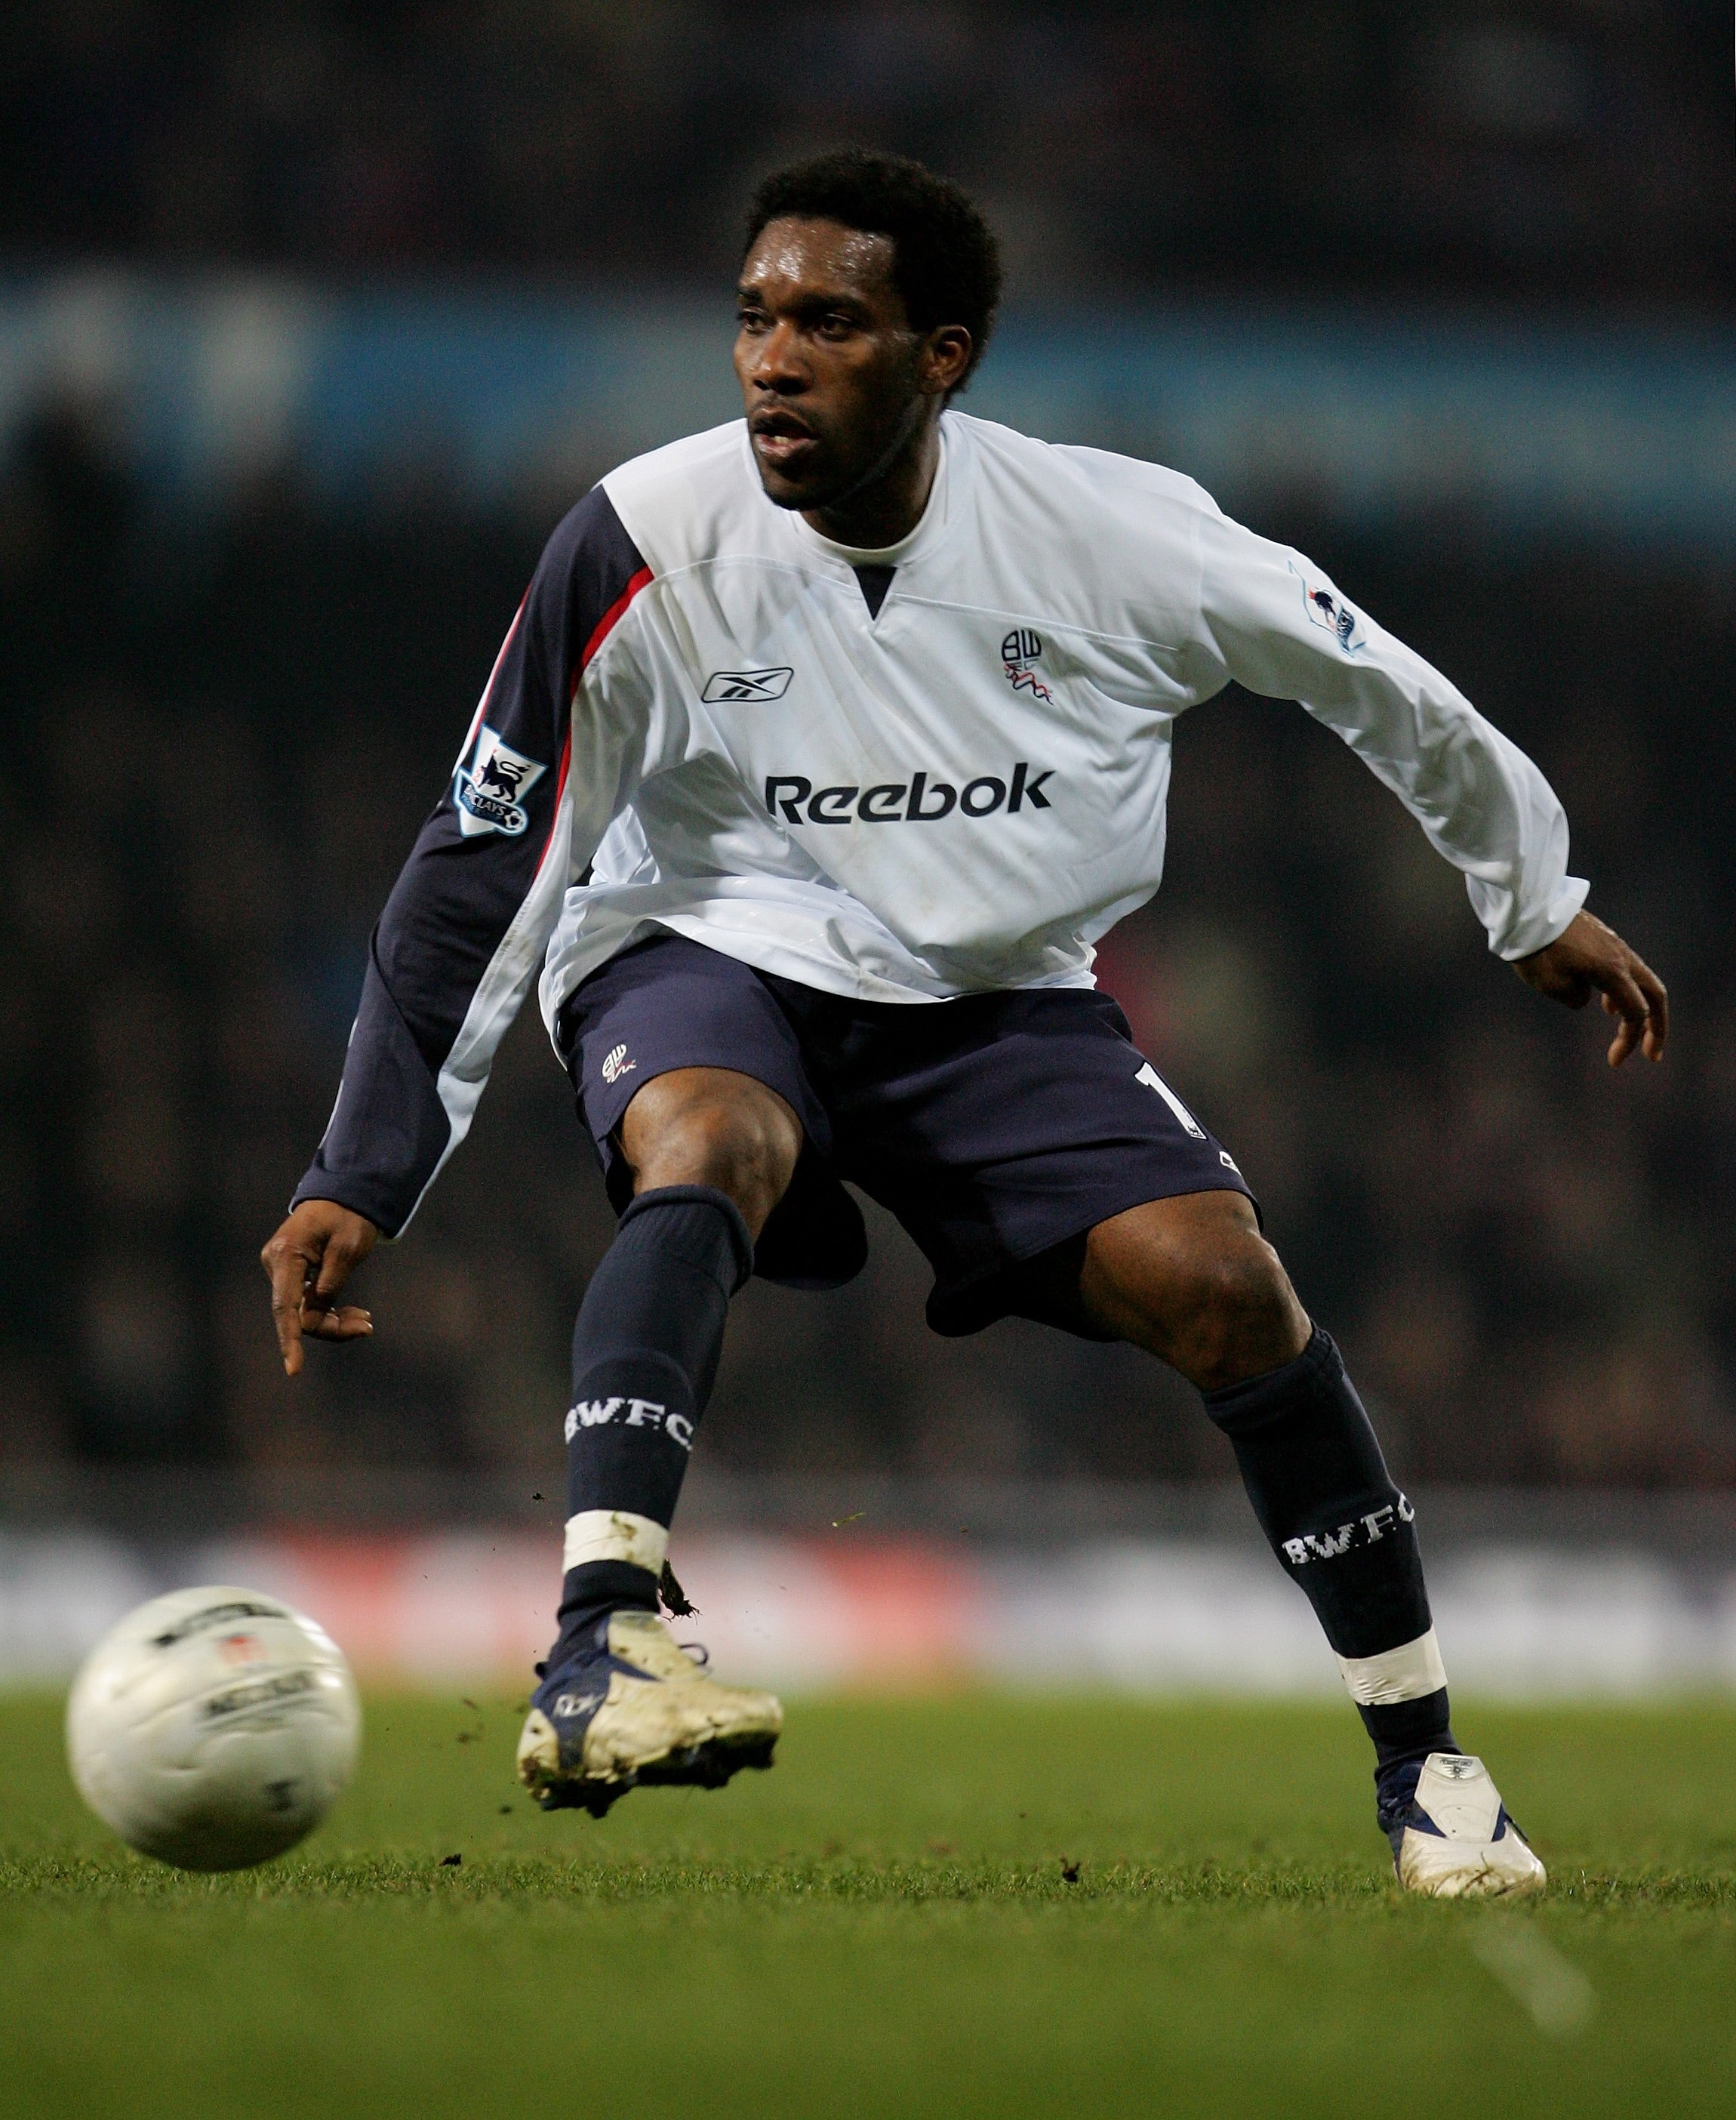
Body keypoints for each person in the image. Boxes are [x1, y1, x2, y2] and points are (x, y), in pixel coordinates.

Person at [260, 150, 1667, 1895]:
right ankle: (605, 1631)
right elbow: (484, 854)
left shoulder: (1114, 536)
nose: (774, 359)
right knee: (711, 1136)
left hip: (996, 999)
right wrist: (366, 1166)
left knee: (1230, 1295)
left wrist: (1527, 898)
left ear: (941, 357)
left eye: (829, 323)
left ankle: (1428, 1765)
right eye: (754, 318)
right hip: (706, 938)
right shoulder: (643, 539)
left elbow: (1376, 678)